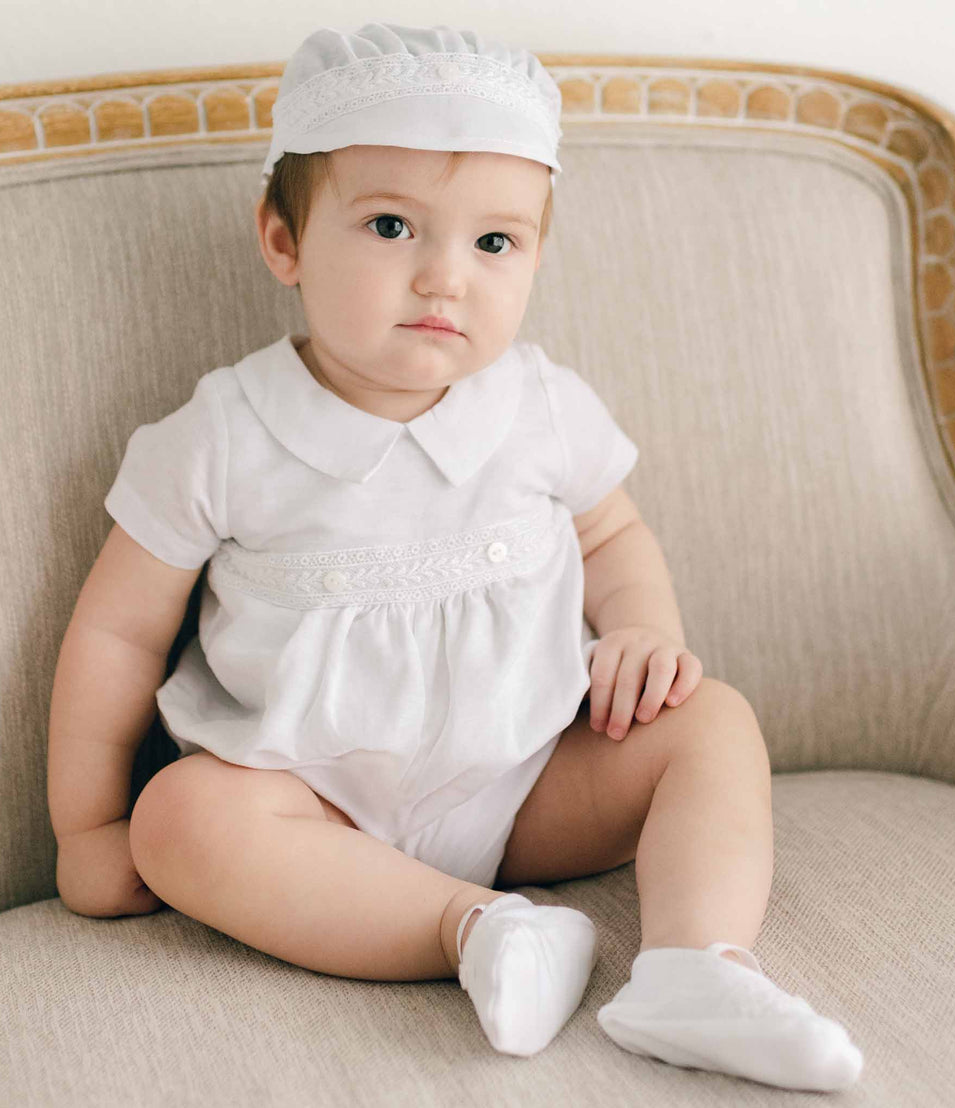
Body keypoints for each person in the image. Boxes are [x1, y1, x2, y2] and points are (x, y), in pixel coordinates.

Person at [46, 21, 863, 1089]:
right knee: (181, 817)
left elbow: (612, 534)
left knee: (711, 721)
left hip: (527, 778)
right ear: (283, 241)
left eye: (495, 244)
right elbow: (117, 630)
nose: (445, 279)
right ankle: (475, 933)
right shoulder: (224, 435)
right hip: (308, 798)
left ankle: (694, 967)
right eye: (392, 226)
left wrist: (641, 630)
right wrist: (90, 822)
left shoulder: (539, 406)